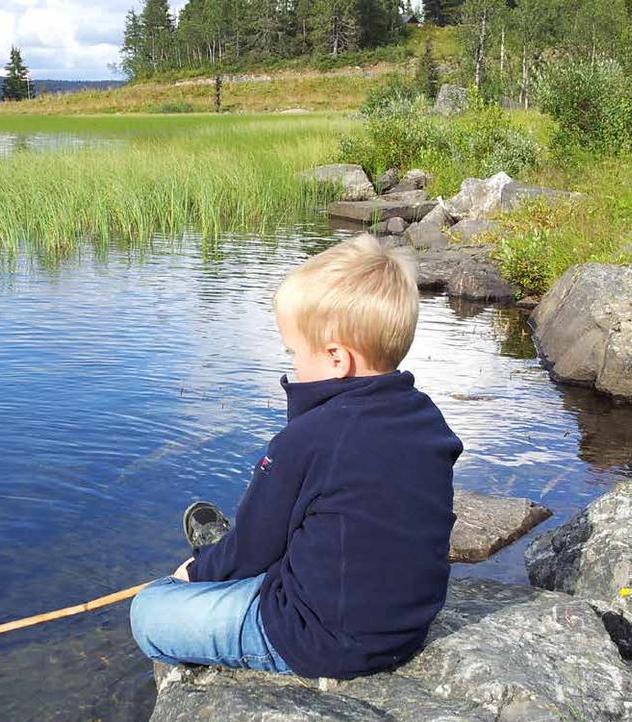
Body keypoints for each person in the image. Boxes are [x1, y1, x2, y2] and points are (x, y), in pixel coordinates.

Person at [129, 234, 464, 680]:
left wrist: (193, 573)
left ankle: (209, 554)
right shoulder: (427, 420)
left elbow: (253, 548)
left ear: (336, 358)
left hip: (316, 639)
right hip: (405, 630)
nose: (291, 365)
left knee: (149, 610)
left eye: (294, 352)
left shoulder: (308, 439)